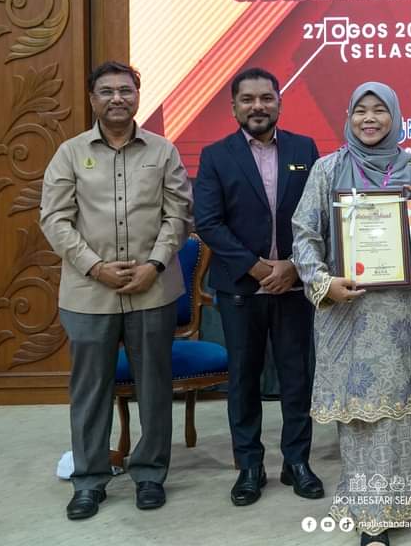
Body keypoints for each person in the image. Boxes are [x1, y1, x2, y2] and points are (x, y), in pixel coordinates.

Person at [40, 61, 192, 520]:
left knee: (154, 388)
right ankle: (89, 480)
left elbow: (179, 215)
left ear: (137, 97)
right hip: (89, 294)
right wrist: (95, 267)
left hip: (153, 289)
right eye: (106, 91)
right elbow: (55, 220)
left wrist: (154, 265)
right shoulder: (69, 153)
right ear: (93, 99)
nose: (117, 99)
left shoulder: (163, 151)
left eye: (125, 90)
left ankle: (150, 475)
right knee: (90, 391)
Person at [291, 82, 411, 546]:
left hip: (397, 314)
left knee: (392, 417)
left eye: (379, 111)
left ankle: (387, 507)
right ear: (349, 117)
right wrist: (322, 283)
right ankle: (369, 513)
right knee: (357, 415)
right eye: (360, 111)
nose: (369, 119)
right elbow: (304, 234)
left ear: (395, 116)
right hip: (345, 308)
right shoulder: (327, 169)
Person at [193, 67, 323, 506]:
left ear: (279, 103)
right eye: (247, 99)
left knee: (297, 378)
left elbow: (318, 215)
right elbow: (208, 222)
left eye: (266, 98)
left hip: (293, 287)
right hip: (241, 289)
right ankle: (249, 466)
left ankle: (297, 462)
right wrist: (256, 267)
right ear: (233, 107)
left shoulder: (304, 149)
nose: (258, 106)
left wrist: (293, 266)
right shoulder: (215, 155)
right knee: (244, 380)